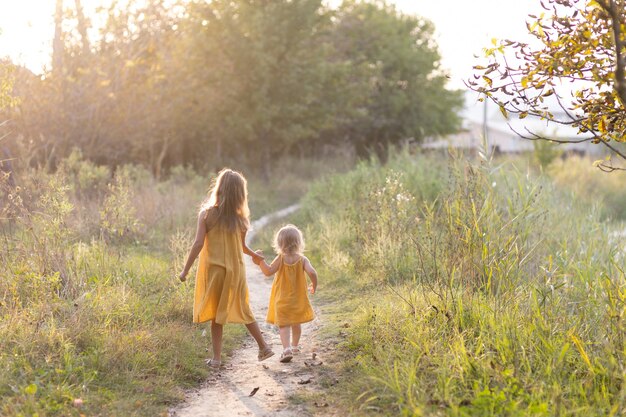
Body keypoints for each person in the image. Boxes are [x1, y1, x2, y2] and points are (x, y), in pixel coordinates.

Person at [179, 168, 274, 368]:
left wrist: (185, 270)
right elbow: (241, 246)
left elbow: (198, 244)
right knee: (244, 308)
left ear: (219, 188)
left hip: (215, 271)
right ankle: (264, 346)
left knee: (216, 315)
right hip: (236, 271)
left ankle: (216, 359)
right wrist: (253, 255)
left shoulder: (207, 215)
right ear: (240, 194)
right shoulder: (240, 219)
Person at [255, 224, 318, 363]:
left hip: (282, 300)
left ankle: (286, 349)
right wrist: (314, 284)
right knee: (296, 323)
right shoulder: (302, 259)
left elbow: (268, 272)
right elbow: (312, 272)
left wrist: (260, 261)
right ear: (299, 242)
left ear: (279, 243)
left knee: (284, 325)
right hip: (297, 299)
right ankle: (295, 346)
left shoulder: (281, 258)